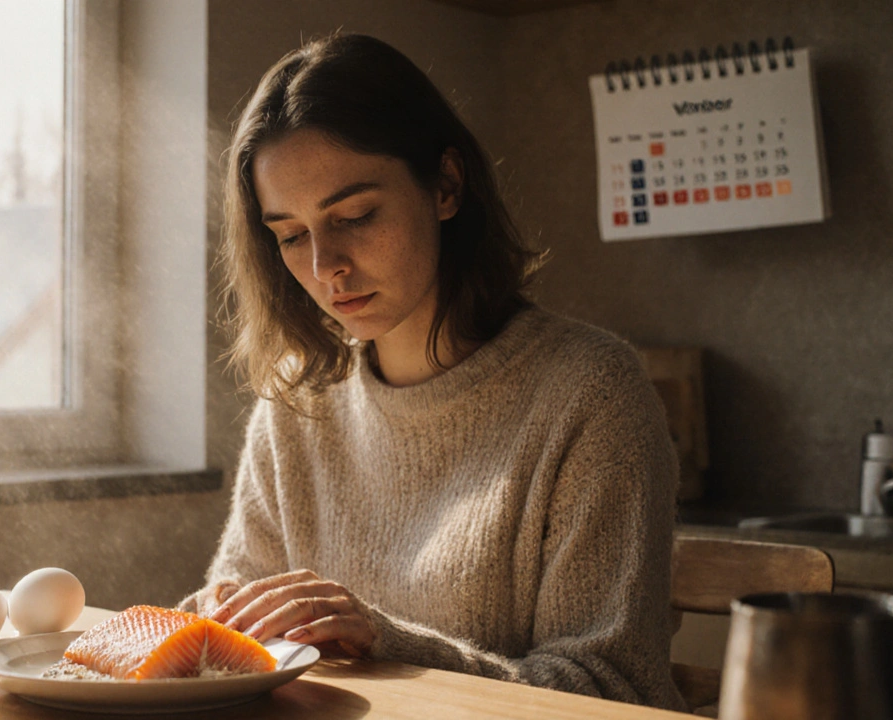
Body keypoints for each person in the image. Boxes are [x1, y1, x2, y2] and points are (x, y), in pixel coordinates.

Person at [179, 33, 684, 711]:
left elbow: (613, 692)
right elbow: (231, 648)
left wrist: (389, 641)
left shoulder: (590, 395)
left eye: (354, 215)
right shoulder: (299, 402)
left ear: (446, 185)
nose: (325, 267)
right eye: (292, 235)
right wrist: (214, 619)